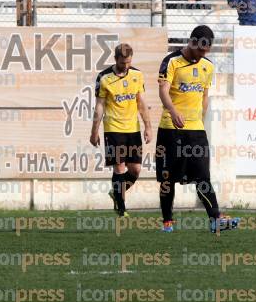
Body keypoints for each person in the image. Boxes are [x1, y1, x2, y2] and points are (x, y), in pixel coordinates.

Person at [156, 25, 239, 233]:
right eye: (201, 49)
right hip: (170, 128)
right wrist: (173, 111)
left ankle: (215, 218)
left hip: (196, 131)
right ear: (192, 42)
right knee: (168, 178)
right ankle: (167, 221)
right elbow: (163, 91)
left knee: (203, 175)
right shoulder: (171, 61)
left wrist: (200, 121)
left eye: (206, 51)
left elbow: (204, 96)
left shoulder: (208, 66)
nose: (203, 54)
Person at [90, 44, 152, 217]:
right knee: (119, 168)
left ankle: (116, 193)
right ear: (116, 59)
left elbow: (141, 103)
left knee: (136, 170)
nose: (126, 66)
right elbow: (99, 106)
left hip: (133, 129)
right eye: (123, 62)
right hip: (113, 129)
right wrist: (94, 131)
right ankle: (121, 208)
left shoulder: (137, 75)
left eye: (129, 62)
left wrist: (148, 127)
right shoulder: (104, 78)